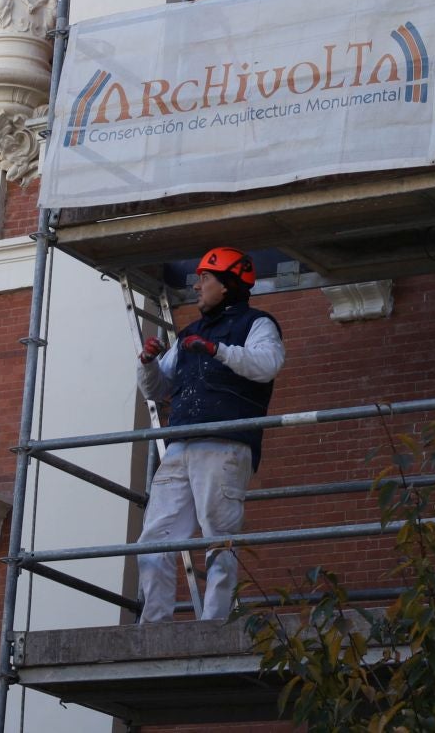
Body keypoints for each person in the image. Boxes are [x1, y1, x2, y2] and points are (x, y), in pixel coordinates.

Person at [135, 246, 286, 622]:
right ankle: (153, 625)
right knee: (154, 540)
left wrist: (218, 350)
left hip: (225, 444)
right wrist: (147, 363)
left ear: (228, 285)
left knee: (219, 539)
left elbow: (267, 365)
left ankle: (215, 624)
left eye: (206, 278)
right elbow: (156, 389)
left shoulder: (258, 324)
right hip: (181, 445)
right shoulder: (192, 333)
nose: (198, 285)